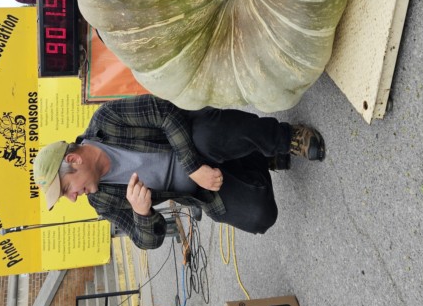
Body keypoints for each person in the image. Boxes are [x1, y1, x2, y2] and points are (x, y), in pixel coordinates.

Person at [32, 95, 325, 249]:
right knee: (260, 217)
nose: (73, 198)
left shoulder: (106, 120)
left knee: (209, 136)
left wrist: (193, 166)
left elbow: (164, 112)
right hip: (201, 189)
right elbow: (147, 240)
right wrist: (142, 214)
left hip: (198, 139)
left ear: (74, 159)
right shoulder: (101, 200)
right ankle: (258, 155)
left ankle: (286, 138)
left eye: (66, 188)